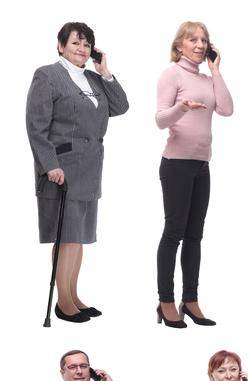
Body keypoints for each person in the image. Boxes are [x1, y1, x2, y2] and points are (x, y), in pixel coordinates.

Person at [27, 23, 128, 323]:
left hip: (90, 168)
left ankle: (73, 296)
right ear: (60, 45)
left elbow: (121, 106)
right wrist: (50, 166)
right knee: (66, 236)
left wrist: (106, 72)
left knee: (79, 237)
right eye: (76, 43)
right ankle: (63, 302)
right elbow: (36, 127)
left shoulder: (94, 79)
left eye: (87, 45)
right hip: (62, 169)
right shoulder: (47, 76)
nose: (82, 49)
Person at [155, 21, 232, 328]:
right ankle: (165, 301)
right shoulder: (172, 74)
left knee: (195, 236)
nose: (200, 45)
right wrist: (181, 108)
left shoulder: (205, 77)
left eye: (204, 40)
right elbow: (160, 119)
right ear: (179, 46)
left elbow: (226, 109)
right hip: (176, 165)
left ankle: (191, 299)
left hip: (202, 166)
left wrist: (215, 71)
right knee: (173, 233)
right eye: (193, 40)